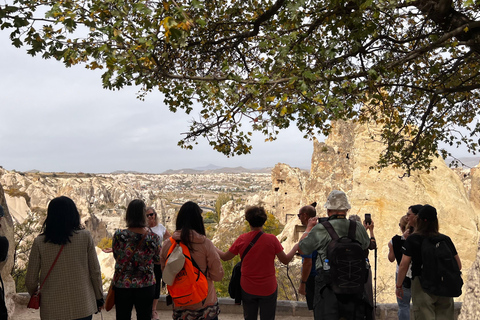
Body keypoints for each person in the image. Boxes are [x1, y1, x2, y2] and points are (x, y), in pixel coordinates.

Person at [25, 196, 104, 320]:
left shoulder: (39, 242)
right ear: (73, 214)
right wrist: (99, 297)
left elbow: (30, 280)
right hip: (83, 305)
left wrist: (37, 294)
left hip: (52, 307)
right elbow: (95, 271)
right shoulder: (85, 237)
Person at [217, 206, 299, 320]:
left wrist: (211, 246)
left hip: (248, 287)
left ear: (248, 221)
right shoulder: (272, 240)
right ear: (264, 221)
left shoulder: (242, 239)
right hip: (268, 287)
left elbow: (225, 257)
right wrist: (295, 248)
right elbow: (285, 260)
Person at [299, 190, 371, 320]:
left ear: (328, 210)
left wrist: (309, 228)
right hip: (354, 285)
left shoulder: (321, 228)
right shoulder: (358, 227)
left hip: (327, 286)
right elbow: (366, 245)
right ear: (346, 210)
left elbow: (303, 248)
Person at [160, 201, 224, 320]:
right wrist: (204, 275)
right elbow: (218, 275)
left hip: (180, 303)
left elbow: (167, 275)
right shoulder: (206, 244)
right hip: (205, 302)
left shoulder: (168, 245)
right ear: (198, 221)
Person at [396, 205, 462, 319]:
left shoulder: (413, 239)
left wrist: (399, 286)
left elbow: (403, 265)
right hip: (444, 285)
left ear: (419, 220)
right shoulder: (445, 239)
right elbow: (458, 265)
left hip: (422, 285)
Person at [112, 199, 161, 320]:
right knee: (144, 316)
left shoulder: (119, 235)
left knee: (122, 317)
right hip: (146, 284)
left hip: (123, 284)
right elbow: (157, 259)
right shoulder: (153, 237)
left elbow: (116, 256)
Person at [146, 206, 171, 320]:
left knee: (157, 285)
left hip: (158, 262)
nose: (150, 217)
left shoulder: (160, 227)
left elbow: (170, 240)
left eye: (152, 214)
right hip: (146, 262)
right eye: (147, 215)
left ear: (155, 215)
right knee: (148, 285)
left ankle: (153, 310)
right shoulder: (143, 229)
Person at [388, 215, 412, 320]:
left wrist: (391, 248)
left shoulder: (395, 241)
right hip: (417, 274)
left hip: (402, 275)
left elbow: (391, 258)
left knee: (403, 305)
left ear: (401, 227)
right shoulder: (418, 239)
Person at [297, 205, 317, 311]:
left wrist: (303, 283)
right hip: (325, 275)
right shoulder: (322, 229)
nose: (299, 218)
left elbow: (307, 262)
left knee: (316, 310)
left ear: (305, 216)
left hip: (313, 277)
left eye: (299, 215)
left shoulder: (310, 234)